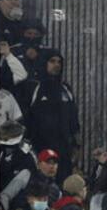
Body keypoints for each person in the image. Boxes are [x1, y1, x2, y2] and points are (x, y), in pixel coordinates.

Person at [23, 49, 80, 184]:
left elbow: (74, 119)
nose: (56, 65)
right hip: (40, 147)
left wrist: (76, 145)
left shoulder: (65, 89)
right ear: (44, 63)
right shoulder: (34, 87)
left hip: (64, 149)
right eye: (52, 61)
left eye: (59, 62)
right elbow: (27, 118)